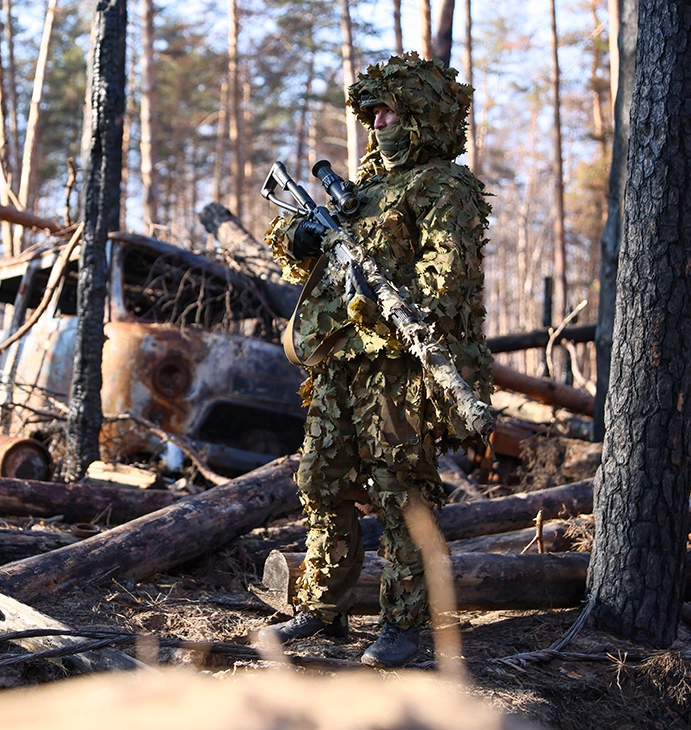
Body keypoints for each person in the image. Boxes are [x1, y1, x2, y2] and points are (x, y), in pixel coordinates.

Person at [258, 53, 493, 668]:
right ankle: (322, 608)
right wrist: (301, 242)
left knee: (400, 493)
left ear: (421, 115)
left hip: (399, 368)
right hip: (339, 364)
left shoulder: (444, 185)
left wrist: (374, 299)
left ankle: (404, 626)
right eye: (372, 113)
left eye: (389, 110)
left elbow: (447, 287)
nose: (378, 122)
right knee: (321, 481)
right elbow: (317, 261)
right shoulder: (362, 189)